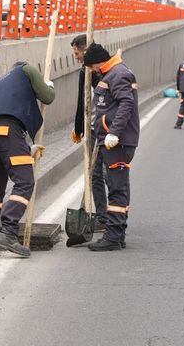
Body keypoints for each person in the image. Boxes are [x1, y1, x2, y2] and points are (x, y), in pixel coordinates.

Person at [0, 62, 56, 257]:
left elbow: (3, 144)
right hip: (6, 131)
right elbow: (47, 97)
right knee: (25, 181)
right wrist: (48, 85)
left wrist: (26, 150)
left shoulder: (2, 83)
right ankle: (8, 231)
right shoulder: (27, 69)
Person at [83, 43, 139, 252]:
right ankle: (118, 233)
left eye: (90, 67)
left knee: (116, 188)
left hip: (118, 142)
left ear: (97, 62)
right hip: (112, 140)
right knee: (118, 186)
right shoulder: (112, 73)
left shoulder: (118, 74)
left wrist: (114, 132)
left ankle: (113, 236)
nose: (91, 71)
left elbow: (126, 104)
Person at [69, 34, 108, 231]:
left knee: (109, 173)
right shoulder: (84, 71)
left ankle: (116, 215)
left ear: (85, 50)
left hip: (108, 129)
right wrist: (78, 128)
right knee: (95, 175)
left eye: (77, 53)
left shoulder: (103, 68)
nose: (75, 57)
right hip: (93, 128)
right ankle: (103, 216)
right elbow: (81, 102)